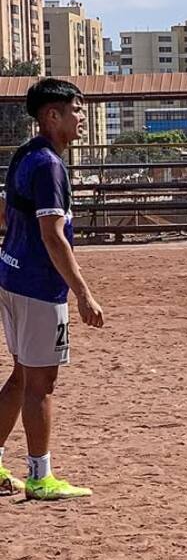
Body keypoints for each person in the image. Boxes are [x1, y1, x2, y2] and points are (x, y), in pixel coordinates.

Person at [0, 78, 104, 500]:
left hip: (12, 278)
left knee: (22, 376)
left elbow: (6, 212)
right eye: (75, 110)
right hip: (39, 286)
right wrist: (83, 293)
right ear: (51, 115)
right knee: (42, 383)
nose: (82, 117)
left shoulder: (25, 155)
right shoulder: (49, 165)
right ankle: (40, 477)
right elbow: (53, 236)